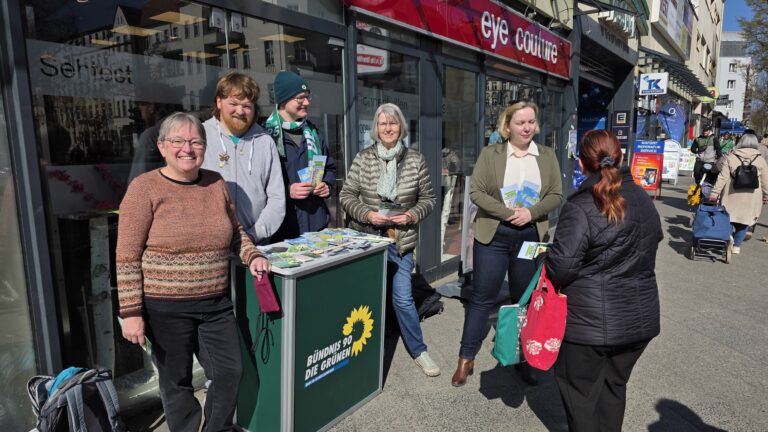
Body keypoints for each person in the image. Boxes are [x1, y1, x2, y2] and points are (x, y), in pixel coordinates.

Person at [116, 112, 271, 431]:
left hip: (215, 304)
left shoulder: (216, 184)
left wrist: (252, 255)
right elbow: (127, 255)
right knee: (177, 384)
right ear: (161, 147)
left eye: (196, 141)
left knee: (229, 373)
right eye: (177, 141)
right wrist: (131, 312)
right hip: (165, 309)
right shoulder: (143, 188)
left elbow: (236, 232)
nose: (187, 148)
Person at [545, 129, 663, 432]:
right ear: (620, 157)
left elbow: (561, 268)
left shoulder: (581, 206)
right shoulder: (643, 200)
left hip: (589, 326)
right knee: (614, 388)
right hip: (638, 321)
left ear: (582, 164)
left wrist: (546, 256)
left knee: (580, 395)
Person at [452, 101, 562, 387]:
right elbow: (476, 192)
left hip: (529, 236)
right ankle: (466, 358)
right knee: (481, 297)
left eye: (531, 122)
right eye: (520, 122)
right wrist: (509, 213)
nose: (527, 127)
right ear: (508, 126)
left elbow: (555, 195)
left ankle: (521, 359)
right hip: (495, 235)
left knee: (522, 300)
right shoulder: (492, 154)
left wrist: (531, 212)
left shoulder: (547, 156)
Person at [339, 103, 438, 376]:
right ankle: (362, 353)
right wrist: (368, 214)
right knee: (366, 299)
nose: (388, 128)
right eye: (383, 124)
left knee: (403, 299)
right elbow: (346, 196)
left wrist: (411, 216)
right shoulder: (363, 158)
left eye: (393, 123)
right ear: (376, 129)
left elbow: (429, 199)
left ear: (401, 127)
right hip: (367, 240)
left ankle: (419, 350)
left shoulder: (415, 160)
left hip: (399, 240)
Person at [201, 72, 285, 244]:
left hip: (256, 245)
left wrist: (253, 235)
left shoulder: (265, 142)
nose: (240, 111)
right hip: (212, 246)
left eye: (247, 106)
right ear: (219, 102)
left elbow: (277, 198)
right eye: (233, 103)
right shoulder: (200, 137)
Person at [264, 70, 337, 240]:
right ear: (283, 100)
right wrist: (287, 190)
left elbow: (330, 168)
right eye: (300, 98)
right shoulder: (266, 135)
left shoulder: (314, 133)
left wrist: (327, 184)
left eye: (307, 97)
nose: (306, 102)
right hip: (283, 228)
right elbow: (259, 183)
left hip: (317, 224)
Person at [708, 133, 768, 254]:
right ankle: (737, 246)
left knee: (728, 219)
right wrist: (766, 195)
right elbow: (765, 181)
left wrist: (715, 192)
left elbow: (723, 177)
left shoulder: (731, 157)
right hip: (751, 197)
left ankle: (728, 239)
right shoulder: (760, 159)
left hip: (731, 194)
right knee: (745, 221)